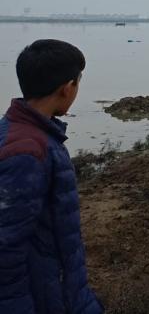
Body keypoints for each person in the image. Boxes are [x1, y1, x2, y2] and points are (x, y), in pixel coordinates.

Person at [0, 40, 103, 314]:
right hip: (46, 296)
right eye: (78, 83)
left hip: (59, 289)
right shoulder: (27, 152)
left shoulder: (29, 134)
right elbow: (6, 250)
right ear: (67, 88)